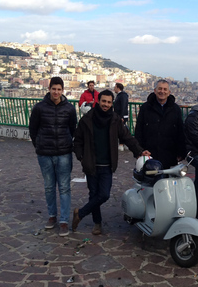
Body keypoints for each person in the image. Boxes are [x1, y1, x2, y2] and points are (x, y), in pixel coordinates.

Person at [71, 90, 149, 235]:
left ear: (111, 103)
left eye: (108, 102)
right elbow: (78, 140)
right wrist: (81, 157)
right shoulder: (87, 119)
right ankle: (97, 223)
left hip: (107, 164)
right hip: (91, 163)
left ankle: (80, 213)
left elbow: (127, 137)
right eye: (103, 101)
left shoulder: (115, 120)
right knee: (94, 194)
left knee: (104, 194)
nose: (106, 104)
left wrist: (139, 151)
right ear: (98, 101)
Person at [29, 76, 77, 236]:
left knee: (64, 187)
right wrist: (39, 145)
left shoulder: (69, 109)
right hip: (45, 153)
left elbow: (72, 129)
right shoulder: (39, 108)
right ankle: (52, 216)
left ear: (62, 91)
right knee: (49, 186)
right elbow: (33, 129)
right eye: (53, 89)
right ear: (49, 89)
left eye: (59, 89)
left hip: (63, 153)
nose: (56, 92)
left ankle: (63, 220)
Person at [134, 79, 185, 169]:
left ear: (169, 92)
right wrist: (139, 151)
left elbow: (180, 132)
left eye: (165, 89)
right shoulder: (145, 108)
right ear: (155, 91)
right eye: (160, 89)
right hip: (150, 154)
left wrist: (181, 152)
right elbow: (139, 131)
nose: (162, 91)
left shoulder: (175, 109)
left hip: (170, 154)